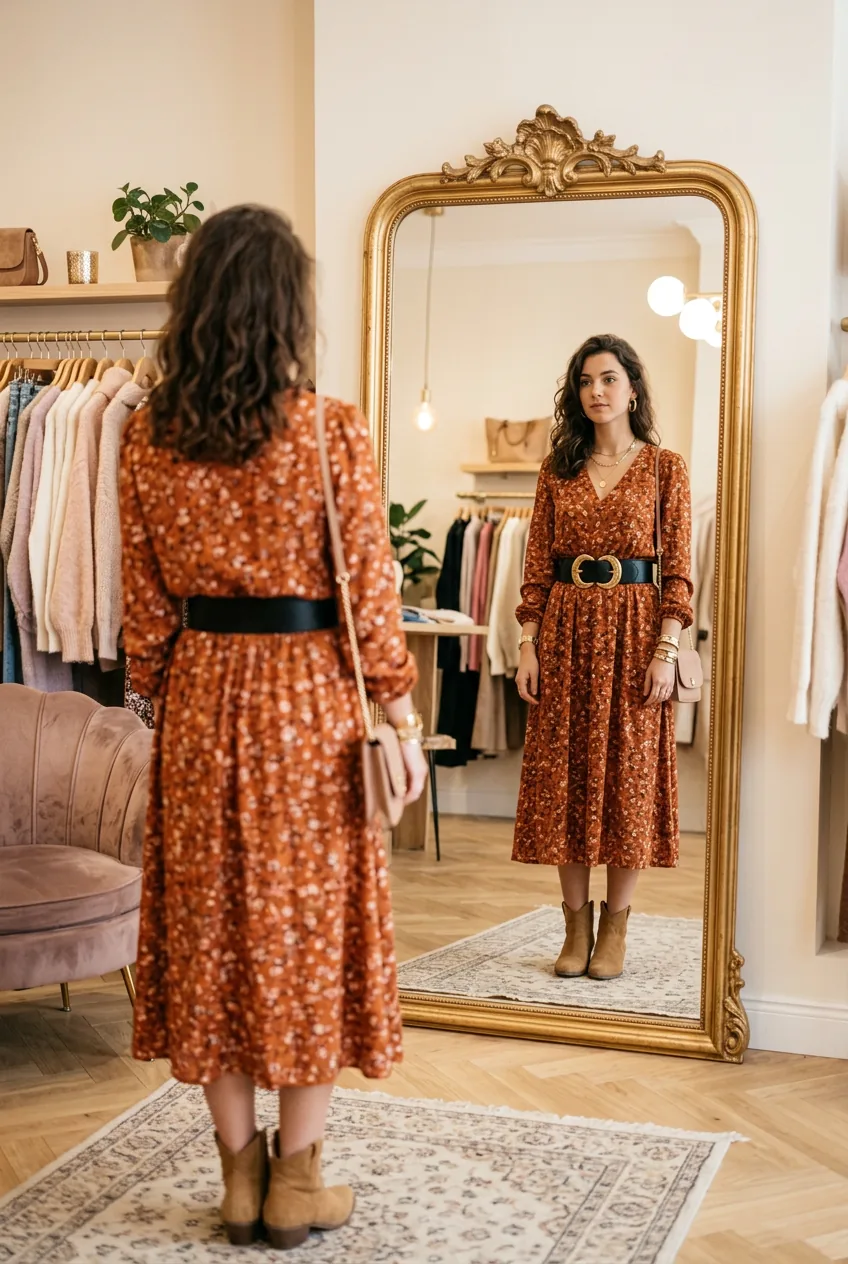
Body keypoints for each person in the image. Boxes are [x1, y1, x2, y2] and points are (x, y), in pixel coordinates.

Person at [119, 204, 428, 1251]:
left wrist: (166, 697)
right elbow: (371, 594)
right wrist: (398, 705)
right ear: (287, 305)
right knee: (304, 933)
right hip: (307, 701)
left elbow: (143, 607)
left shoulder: (146, 435)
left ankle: (237, 1176)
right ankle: (297, 1179)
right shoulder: (327, 426)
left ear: (193, 302)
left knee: (211, 933)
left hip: (202, 696)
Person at [513, 333, 693, 982]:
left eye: (609, 379)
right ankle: (574, 923)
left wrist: (666, 649)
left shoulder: (665, 468)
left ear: (633, 389)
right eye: (586, 381)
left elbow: (679, 571)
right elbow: (535, 568)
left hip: (637, 634)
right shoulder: (556, 471)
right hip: (565, 634)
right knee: (566, 781)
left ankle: (615, 925)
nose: (597, 391)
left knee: (629, 781)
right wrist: (528, 643)